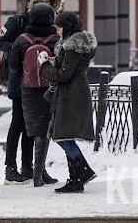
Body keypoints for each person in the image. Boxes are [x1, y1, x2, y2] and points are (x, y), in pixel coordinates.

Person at [0, 0, 64, 184]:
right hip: (19, 83)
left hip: (42, 84)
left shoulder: (51, 24)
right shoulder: (17, 21)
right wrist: (21, 49)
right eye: (43, 0)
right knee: (18, 123)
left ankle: (30, 167)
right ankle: (10, 168)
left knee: (34, 127)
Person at [40, 12, 98, 193]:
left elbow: (64, 75)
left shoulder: (72, 47)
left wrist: (44, 66)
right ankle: (77, 178)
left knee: (63, 136)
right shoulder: (73, 45)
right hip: (72, 93)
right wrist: (54, 61)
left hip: (71, 95)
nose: (57, 31)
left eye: (59, 27)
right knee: (63, 136)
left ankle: (81, 175)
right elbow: (68, 67)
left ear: (67, 27)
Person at [10, 2, 60, 188]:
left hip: (28, 90)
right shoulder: (56, 40)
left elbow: (13, 66)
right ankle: (40, 172)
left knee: (31, 129)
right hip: (50, 90)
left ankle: (33, 171)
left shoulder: (22, 40)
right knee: (45, 130)